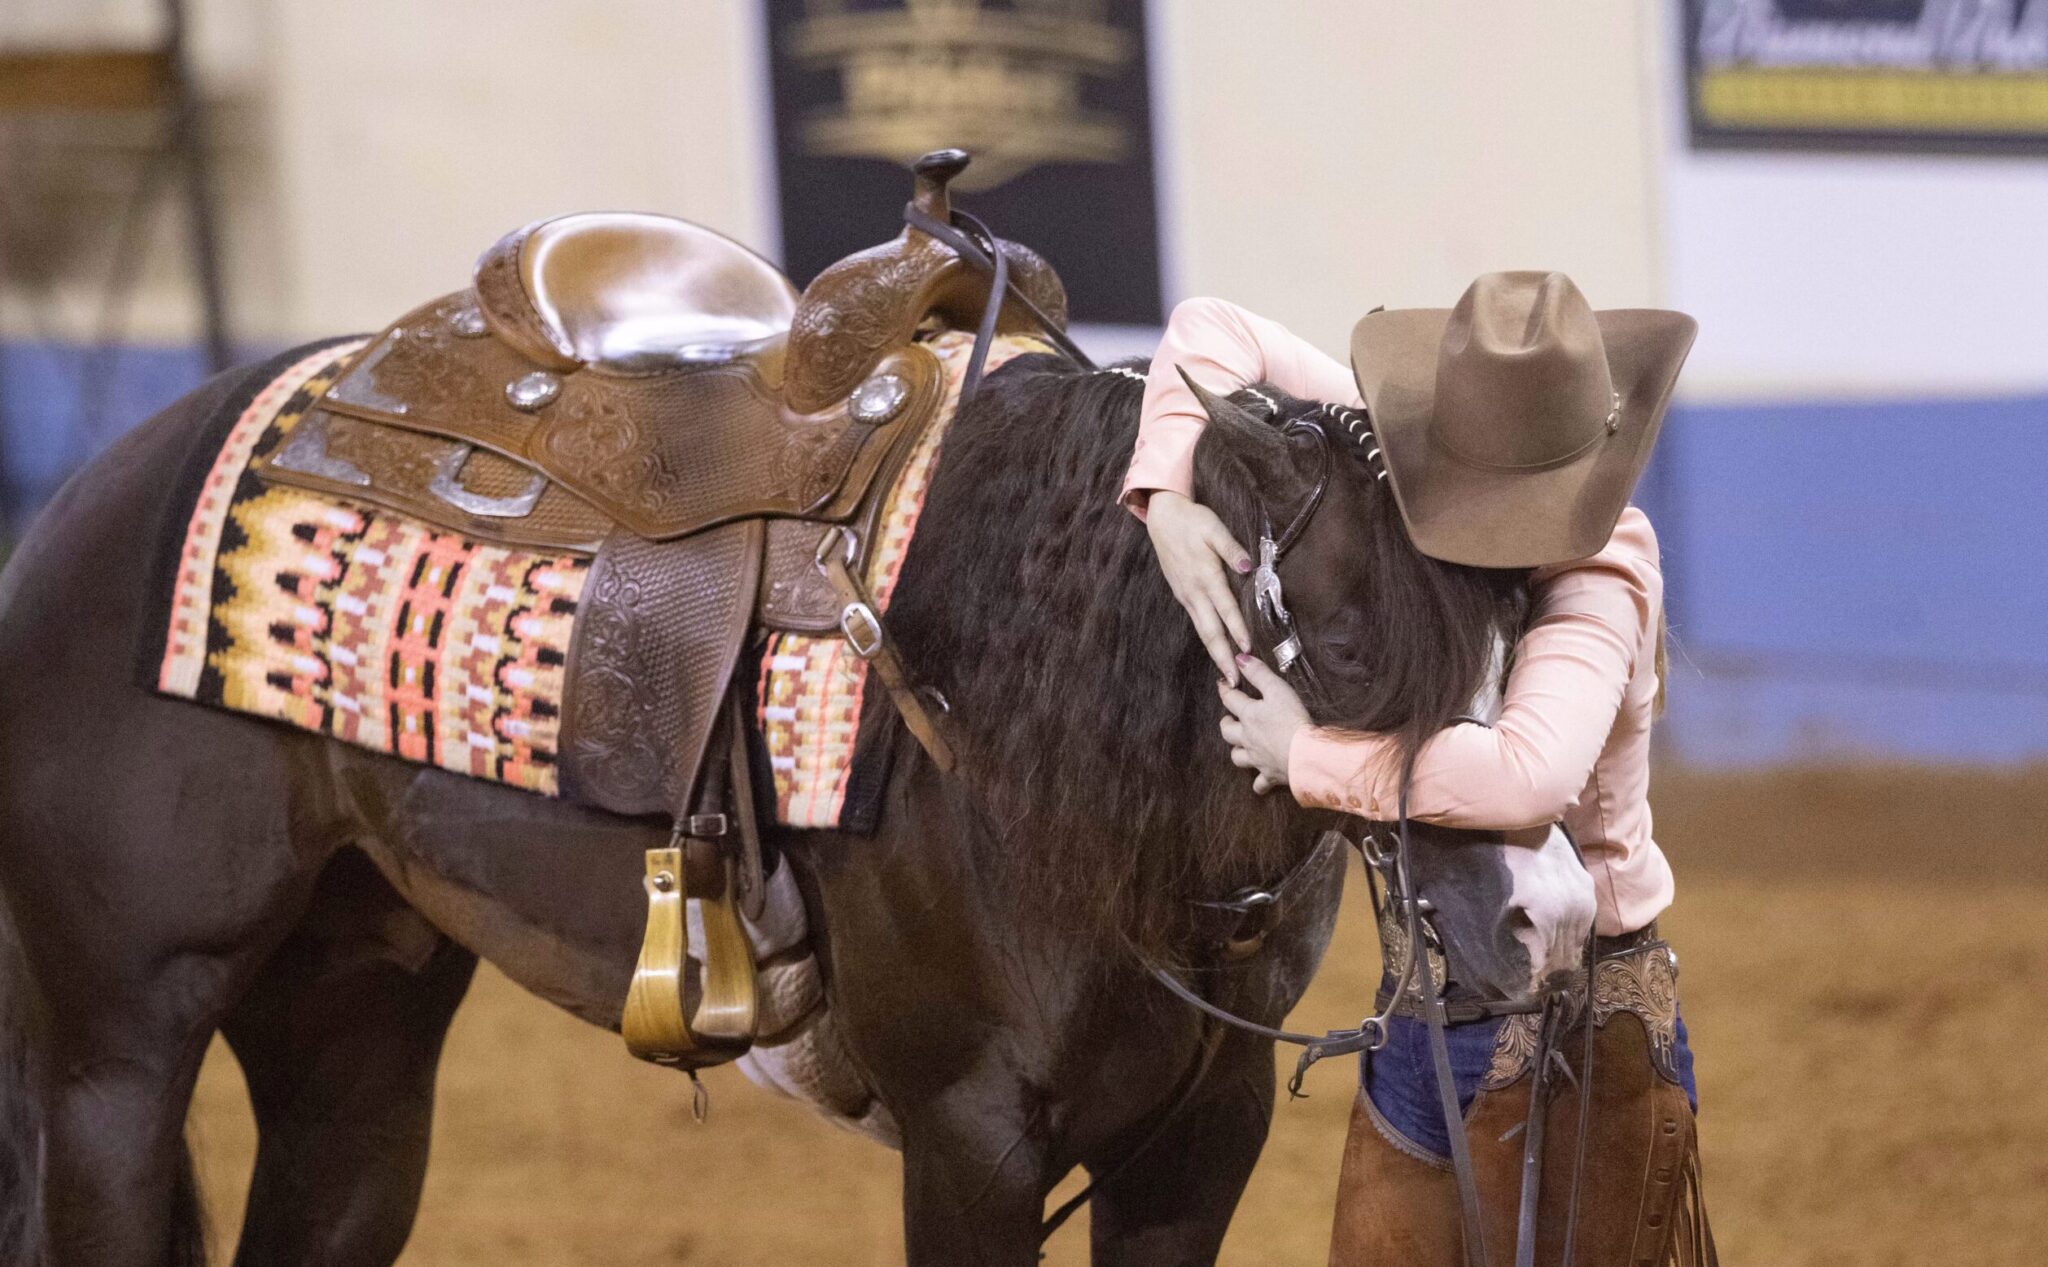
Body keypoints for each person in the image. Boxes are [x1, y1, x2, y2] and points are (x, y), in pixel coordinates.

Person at [1123, 273, 1715, 1265]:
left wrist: (1300, 752)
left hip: (1571, 1033)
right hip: (1420, 1012)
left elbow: (1524, 773)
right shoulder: (1420, 449)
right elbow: (1212, 328)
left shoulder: (1604, 563)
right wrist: (1167, 498)